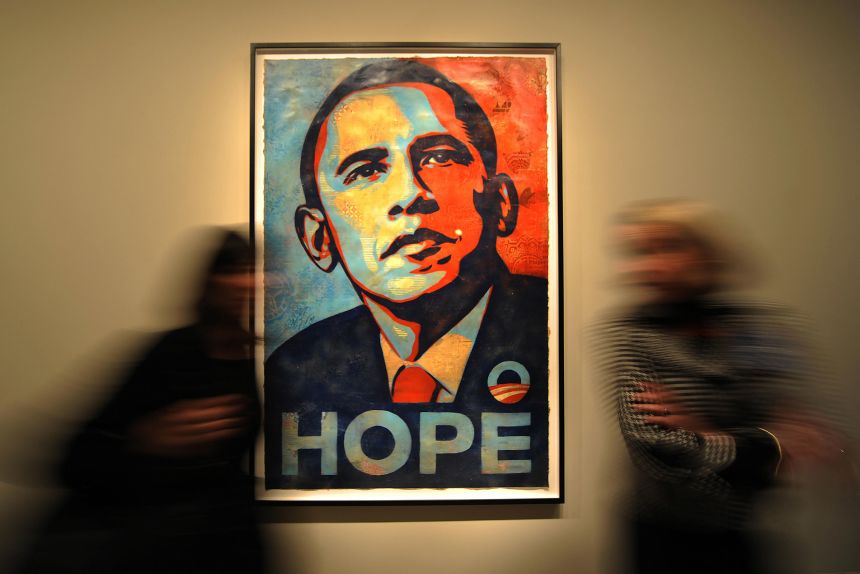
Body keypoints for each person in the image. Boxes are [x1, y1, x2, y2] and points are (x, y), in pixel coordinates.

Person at [265, 60, 549, 489]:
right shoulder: (297, 369)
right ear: (319, 237)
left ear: (501, 203)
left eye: (439, 157)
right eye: (365, 170)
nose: (410, 193)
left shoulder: (553, 334)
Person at [597, 200, 839, 574]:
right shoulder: (631, 334)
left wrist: (705, 432)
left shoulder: (757, 330)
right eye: (639, 251)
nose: (647, 265)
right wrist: (765, 441)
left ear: (707, 253)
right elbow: (661, 450)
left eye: (667, 247)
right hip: (660, 535)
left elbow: (804, 438)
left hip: (741, 535)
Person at [19, 230, 264, 574]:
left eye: (250, 270)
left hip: (218, 548)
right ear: (208, 282)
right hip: (156, 549)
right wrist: (145, 439)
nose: (246, 282)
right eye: (232, 271)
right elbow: (72, 459)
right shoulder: (170, 353)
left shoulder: (241, 356)